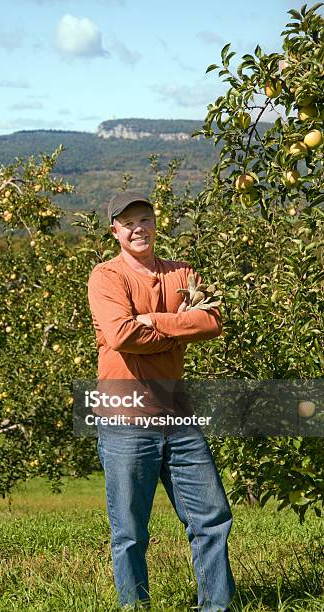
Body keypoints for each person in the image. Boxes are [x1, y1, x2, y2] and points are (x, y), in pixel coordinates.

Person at [87, 191, 235, 611]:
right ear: (114, 230)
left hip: (178, 416)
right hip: (124, 418)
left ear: (155, 223)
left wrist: (155, 321)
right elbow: (121, 335)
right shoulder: (106, 276)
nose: (138, 228)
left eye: (145, 219)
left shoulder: (182, 272)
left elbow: (211, 320)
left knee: (211, 518)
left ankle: (216, 606)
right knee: (131, 532)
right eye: (128, 222)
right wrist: (179, 326)